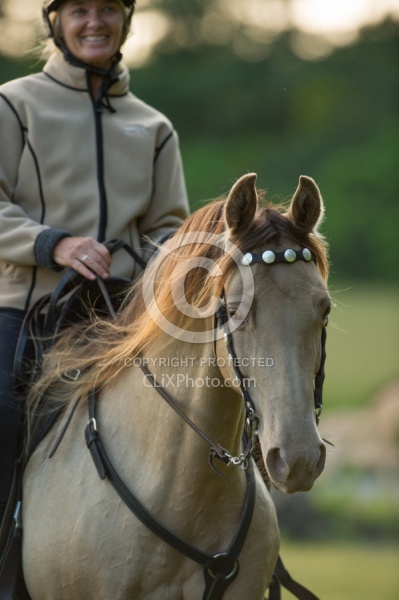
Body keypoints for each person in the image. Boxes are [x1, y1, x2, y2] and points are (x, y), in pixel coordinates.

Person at [0, 0, 189, 528]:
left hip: (120, 323)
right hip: (22, 315)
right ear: (54, 22)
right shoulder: (12, 105)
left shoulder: (154, 127)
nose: (94, 22)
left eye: (107, 8)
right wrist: (53, 243)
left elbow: (168, 229)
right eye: (79, 9)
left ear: (126, 21)